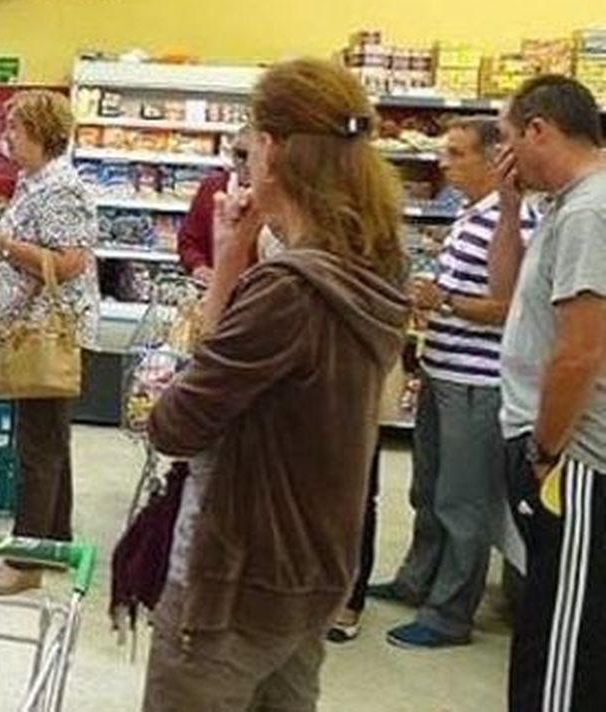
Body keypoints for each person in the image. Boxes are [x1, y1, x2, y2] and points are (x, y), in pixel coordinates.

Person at [141, 58, 410, 712]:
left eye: (248, 143)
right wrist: (239, 251)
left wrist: (231, 258)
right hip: (315, 568)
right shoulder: (378, 267)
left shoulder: (288, 290)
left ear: (272, 150)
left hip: (234, 578)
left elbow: (176, 424)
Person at [367, 118, 536, 649]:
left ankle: (449, 613)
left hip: (477, 381)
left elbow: (512, 308)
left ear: (492, 160)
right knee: (429, 489)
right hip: (443, 371)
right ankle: (419, 580)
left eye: (457, 153)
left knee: (465, 502)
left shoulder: (515, 221)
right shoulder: (469, 214)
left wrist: (445, 301)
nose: (444, 162)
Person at [493, 74, 606, 712]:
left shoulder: (591, 209)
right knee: (549, 613)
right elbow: (514, 296)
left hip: (577, 457)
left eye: (509, 139)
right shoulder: (566, 204)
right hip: (559, 449)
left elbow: (582, 349)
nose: (504, 156)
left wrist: (543, 449)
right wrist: (510, 206)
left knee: (564, 636)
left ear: (540, 130)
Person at [0, 89, 98, 597]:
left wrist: (1, 243)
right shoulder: (35, 181)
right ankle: (55, 540)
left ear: (42, 135)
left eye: (16, 130)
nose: (7, 139)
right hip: (32, 325)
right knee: (51, 442)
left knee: (37, 448)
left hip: (46, 331)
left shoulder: (61, 188)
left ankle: (24, 560)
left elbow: (70, 261)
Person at [176, 125, 252, 284]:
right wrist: (198, 266)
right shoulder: (212, 187)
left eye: (252, 156)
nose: (245, 163)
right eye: (240, 154)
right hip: (213, 286)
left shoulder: (279, 197)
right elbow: (188, 240)